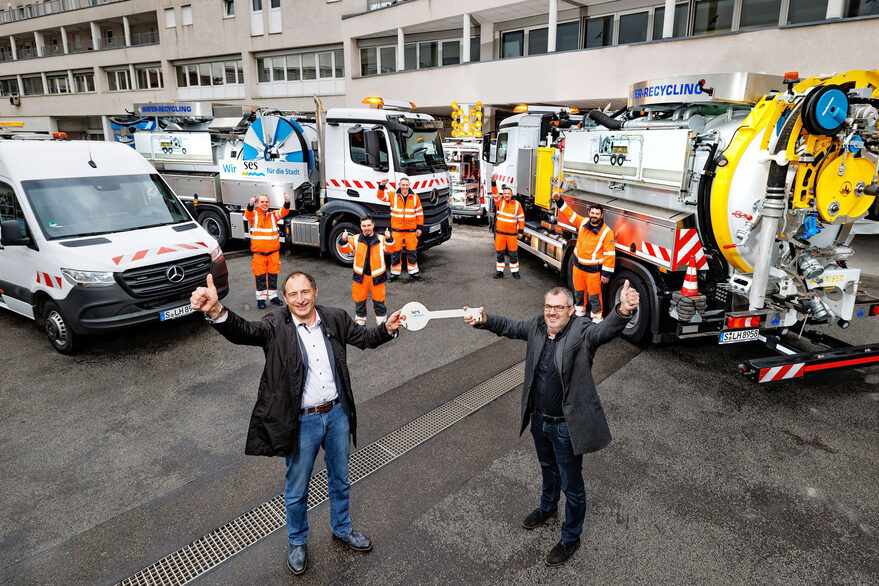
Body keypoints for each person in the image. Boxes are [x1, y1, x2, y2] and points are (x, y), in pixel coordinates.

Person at [189, 271, 402, 576]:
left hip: (337, 415)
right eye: (292, 294)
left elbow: (366, 339)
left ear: (315, 292)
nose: (300, 299)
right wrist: (216, 310)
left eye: (305, 292)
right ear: (285, 298)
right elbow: (244, 331)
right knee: (297, 488)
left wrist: (387, 328)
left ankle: (342, 528)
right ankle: (297, 542)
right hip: (302, 422)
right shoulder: (275, 325)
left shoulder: (336, 318)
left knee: (340, 479)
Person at [463, 281, 639, 566]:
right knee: (547, 469)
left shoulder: (581, 331)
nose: (552, 312)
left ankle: (571, 537)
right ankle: (547, 508)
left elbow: (604, 331)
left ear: (570, 310)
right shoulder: (536, 326)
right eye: (548, 306)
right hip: (539, 419)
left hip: (565, 426)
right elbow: (510, 326)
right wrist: (483, 319)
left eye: (559, 307)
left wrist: (622, 310)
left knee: (572, 485)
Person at [551, 191, 615, 322]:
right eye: (592, 213)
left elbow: (610, 254)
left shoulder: (607, 232)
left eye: (597, 214)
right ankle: (580, 311)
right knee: (578, 291)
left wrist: (606, 274)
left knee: (594, 296)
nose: (594, 216)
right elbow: (569, 214)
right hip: (578, 267)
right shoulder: (583, 222)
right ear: (589, 213)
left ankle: (597, 318)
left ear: (601, 215)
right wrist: (559, 200)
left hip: (593, 271)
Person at [337, 215, 395, 326]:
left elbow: (391, 249)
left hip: (377, 277)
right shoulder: (355, 239)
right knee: (359, 302)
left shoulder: (381, 239)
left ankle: (382, 326)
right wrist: (343, 240)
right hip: (360, 277)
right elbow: (345, 250)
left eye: (369, 225)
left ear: (373, 225)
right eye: (364, 226)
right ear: (361, 226)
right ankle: (360, 326)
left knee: (379, 302)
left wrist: (389, 238)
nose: (366, 228)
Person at [245, 192, 291, 309]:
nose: (264, 204)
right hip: (259, 255)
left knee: (273, 276)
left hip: (273, 254)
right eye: (262, 202)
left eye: (266, 202)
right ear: (257, 203)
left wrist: (287, 203)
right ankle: (261, 299)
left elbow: (283, 212)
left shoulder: (273, 215)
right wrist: (250, 205)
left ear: (269, 203)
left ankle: (273, 297)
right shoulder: (254, 216)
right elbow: (248, 214)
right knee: (260, 277)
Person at [376, 176, 423, 282]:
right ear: (399, 185)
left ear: (409, 185)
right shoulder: (393, 195)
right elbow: (381, 196)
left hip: (411, 231)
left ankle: (414, 273)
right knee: (395, 252)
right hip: (396, 231)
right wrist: (382, 185)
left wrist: (419, 227)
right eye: (403, 185)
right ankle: (394, 274)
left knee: (412, 253)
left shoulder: (415, 197)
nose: (405, 187)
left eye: (407, 185)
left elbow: (419, 213)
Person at [490, 174, 525, 279]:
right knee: (500, 253)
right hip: (500, 234)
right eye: (505, 193)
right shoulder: (499, 202)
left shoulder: (517, 204)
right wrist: (493, 182)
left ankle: (515, 272)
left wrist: (521, 232)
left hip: (512, 235)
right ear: (503, 194)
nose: (506, 195)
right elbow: (495, 192)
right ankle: (499, 271)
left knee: (513, 254)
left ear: (511, 194)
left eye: (508, 193)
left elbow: (521, 218)